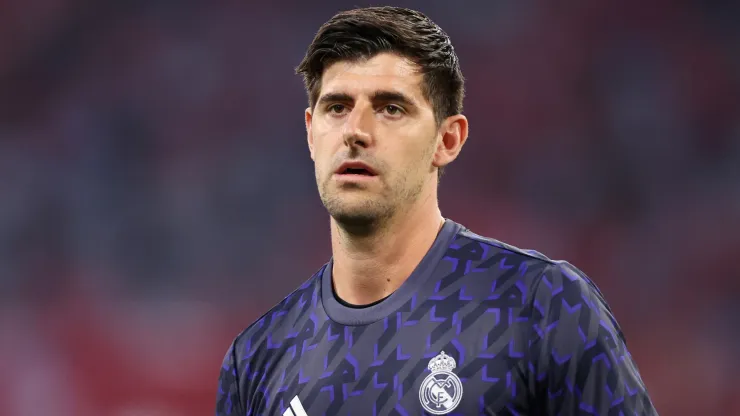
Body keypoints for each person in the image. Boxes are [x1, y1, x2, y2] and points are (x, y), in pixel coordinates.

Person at [216, 6, 658, 416]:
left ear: (448, 141)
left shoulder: (541, 306)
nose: (355, 131)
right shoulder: (258, 357)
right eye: (337, 107)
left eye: (390, 108)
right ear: (312, 134)